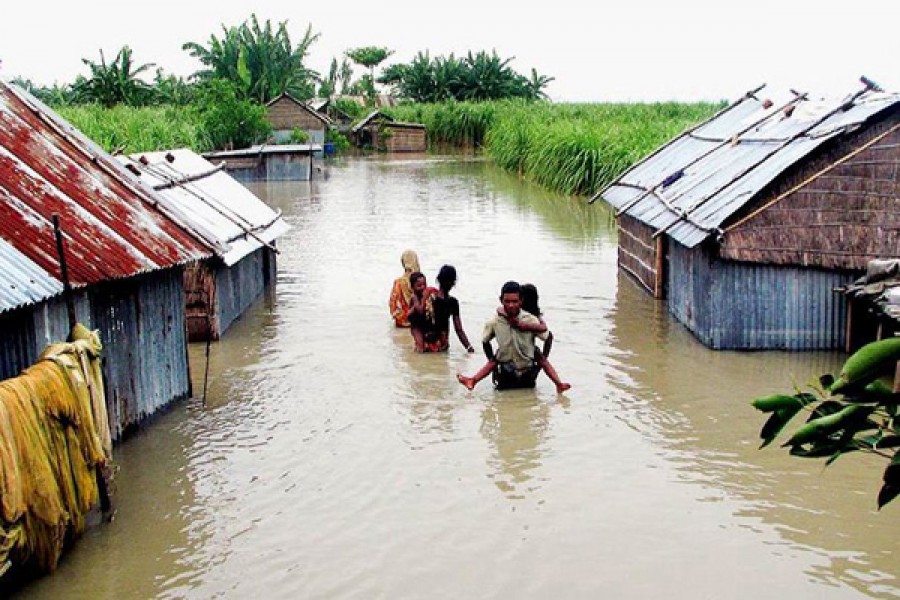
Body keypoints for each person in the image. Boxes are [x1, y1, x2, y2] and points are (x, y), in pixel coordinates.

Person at [457, 281, 571, 393]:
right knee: (495, 361)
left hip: (527, 372)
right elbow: (485, 341)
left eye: (515, 301)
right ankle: (473, 380)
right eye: (507, 301)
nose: (511, 305)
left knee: (539, 360)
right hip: (506, 372)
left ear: (521, 301)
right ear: (501, 300)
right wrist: (494, 368)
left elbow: (548, 337)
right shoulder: (495, 322)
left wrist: (540, 363)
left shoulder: (531, 319)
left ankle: (559, 384)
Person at [428, 265, 476, 354]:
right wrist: (469, 347)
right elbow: (459, 330)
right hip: (442, 345)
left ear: (438, 279)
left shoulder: (429, 298)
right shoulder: (453, 302)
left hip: (427, 343)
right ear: (453, 283)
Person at [407, 271, 439, 352]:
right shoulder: (414, 297)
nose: (423, 287)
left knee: (431, 348)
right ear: (412, 287)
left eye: (424, 284)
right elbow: (420, 310)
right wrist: (424, 298)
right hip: (416, 325)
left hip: (424, 324)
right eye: (419, 286)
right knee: (420, 347)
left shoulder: (428, 295)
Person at [389, 250, 421, 328]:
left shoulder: (398, 282)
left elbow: (392, 305)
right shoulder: (420, 280)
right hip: (417, 322)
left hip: (401, 322)